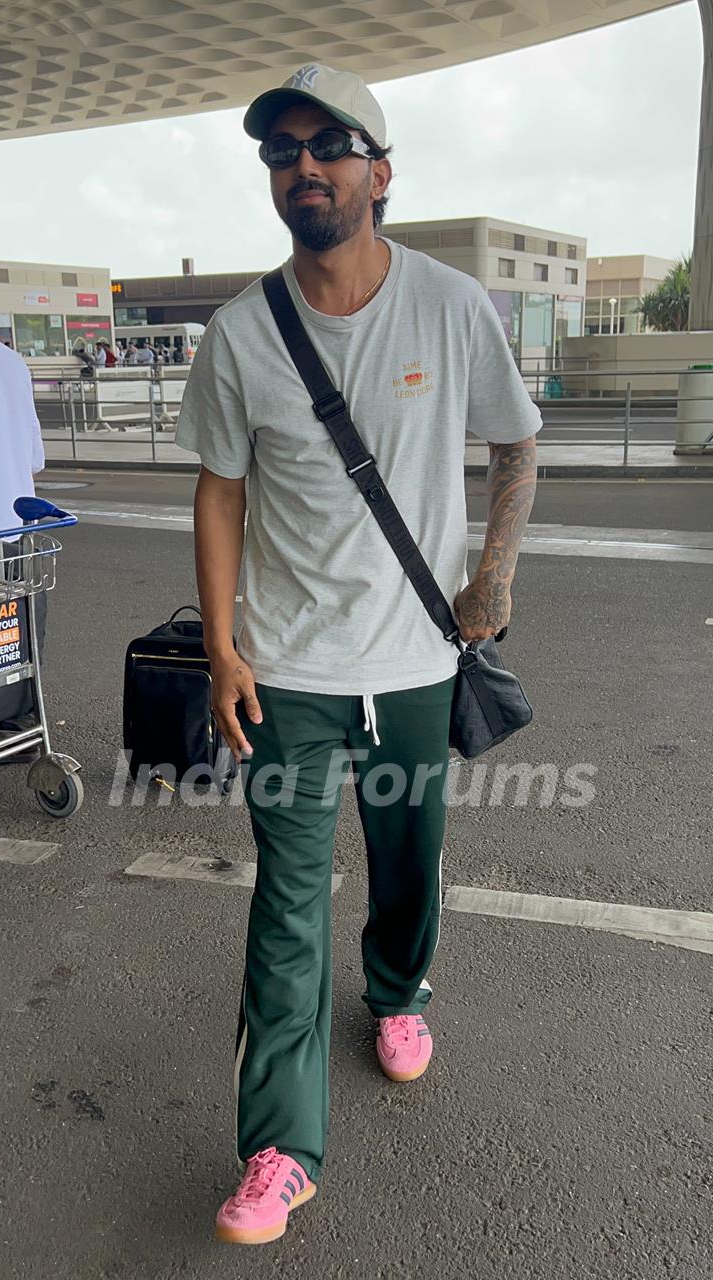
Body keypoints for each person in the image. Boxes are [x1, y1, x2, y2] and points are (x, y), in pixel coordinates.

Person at [175, 63, 541, 1247]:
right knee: (285, 904)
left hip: (420, 666)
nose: (303, 165)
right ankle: (280, 1147)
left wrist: (496, 576)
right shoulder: (240, 332)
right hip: (286, 669)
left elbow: (517, 445)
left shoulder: (449, 302)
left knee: (409, 857)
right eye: (281, 151)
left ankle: (398, 990)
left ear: (380, 173)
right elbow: (219, 491)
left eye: (328, 144)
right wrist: (225, 649)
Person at [0, 338, 47, 759]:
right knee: (13, 633)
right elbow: (34, 458)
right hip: (12, 527)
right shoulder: (12, 363)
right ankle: (15, 720)